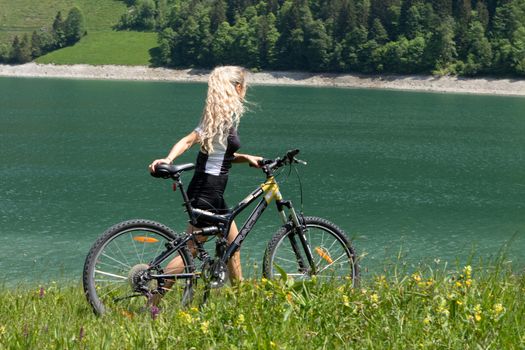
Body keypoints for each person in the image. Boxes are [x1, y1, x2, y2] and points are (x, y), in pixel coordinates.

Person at [149, 66, 262, 292]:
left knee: (233, 243)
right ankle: (152, 301)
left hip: (213, 192)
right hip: (207, 191)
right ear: (238, 88)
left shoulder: (223, 116)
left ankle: (241, 300)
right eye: (245, 86)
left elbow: (221, 155)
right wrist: (168, 158)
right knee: (190, 249)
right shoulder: (218, 118)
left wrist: (247, 158)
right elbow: (190, 140)